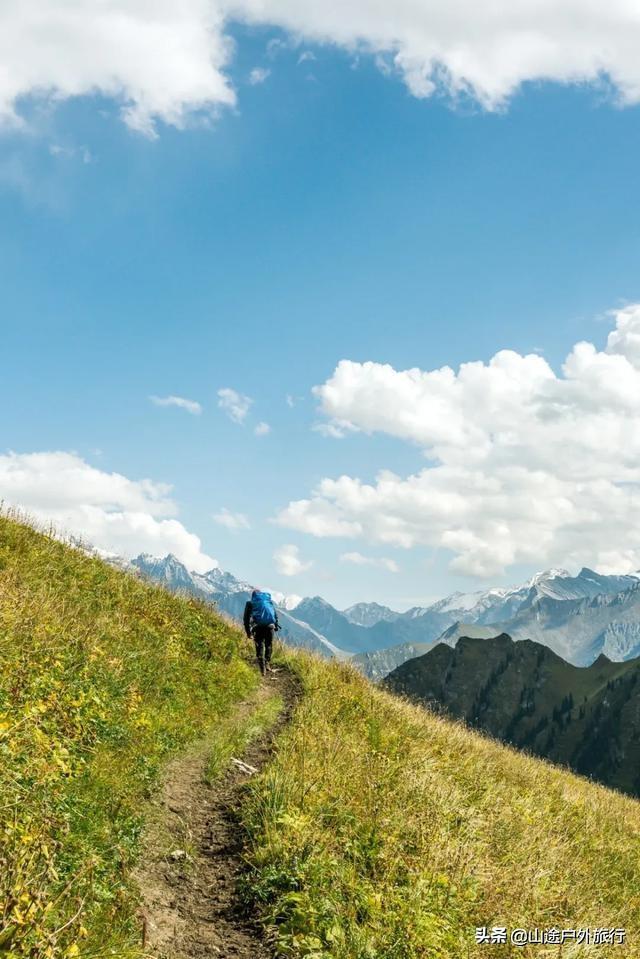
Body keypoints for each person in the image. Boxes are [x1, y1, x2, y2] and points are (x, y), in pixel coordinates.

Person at [243, 588, 280, 676]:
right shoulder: (268, 601)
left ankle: (262, 668)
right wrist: (276, 625)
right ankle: (267, 663)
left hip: (258, 627)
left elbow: (246, 619)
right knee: (268, 645)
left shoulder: (250, 603)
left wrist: (248, 633)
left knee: (259, 645)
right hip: (270, 626)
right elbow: (274, 614)